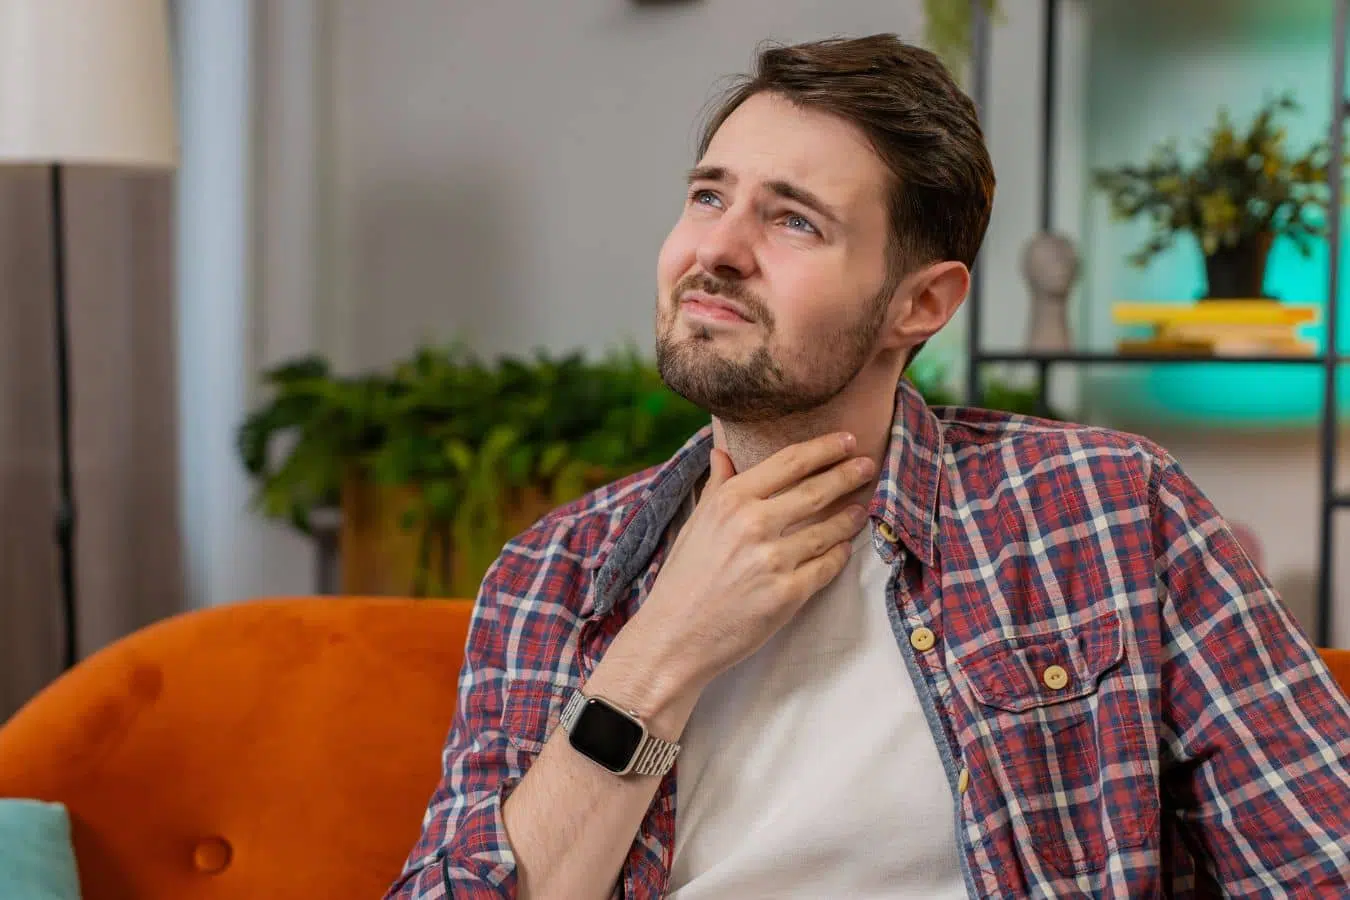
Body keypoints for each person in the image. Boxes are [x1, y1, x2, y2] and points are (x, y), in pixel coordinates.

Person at [385, 34, 1350, 900]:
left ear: (920, 304)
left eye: (794, 221)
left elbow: (1318, 859)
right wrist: (659, 652)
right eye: (708, 196)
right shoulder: (554, 577)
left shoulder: (1107, 513)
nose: (714, 250)